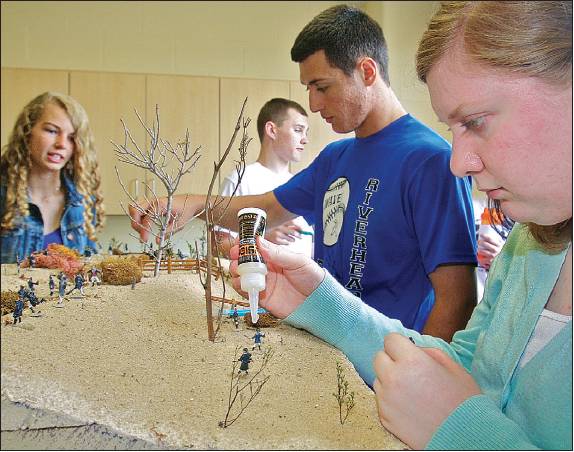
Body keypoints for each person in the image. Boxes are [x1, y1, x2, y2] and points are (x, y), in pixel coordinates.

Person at [227, 2, 572, 449]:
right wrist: (320, 300)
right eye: (454, 129)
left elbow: (454, 311)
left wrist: (458, 428)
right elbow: (465, 363)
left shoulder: (423, 161)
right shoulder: (527, 246)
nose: (459, 162)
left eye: (476, 122)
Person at [130, 5, 478, 341]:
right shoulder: (334, 158)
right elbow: (265, 209)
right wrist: (192, 205)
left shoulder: (431, 161)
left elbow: (457, 298)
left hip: (389, 363)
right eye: (308, 89)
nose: (313, 104)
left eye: (322, 87)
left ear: (367, 72)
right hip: (328, 349)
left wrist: (419, 373)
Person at [0, 92, 105, 263]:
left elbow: (88, 267)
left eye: (72, 138)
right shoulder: (4, 196)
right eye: (51, 131)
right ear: (27, 132)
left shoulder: (83, 201)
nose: (62, 144)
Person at [215, 98, 314, 258]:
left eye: (306, 132)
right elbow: (217, 244)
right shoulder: (240, 180)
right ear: (272, 130)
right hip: (256, 281)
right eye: (298, 130)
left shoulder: (302, 185)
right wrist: (262, 239)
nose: (305, 139)